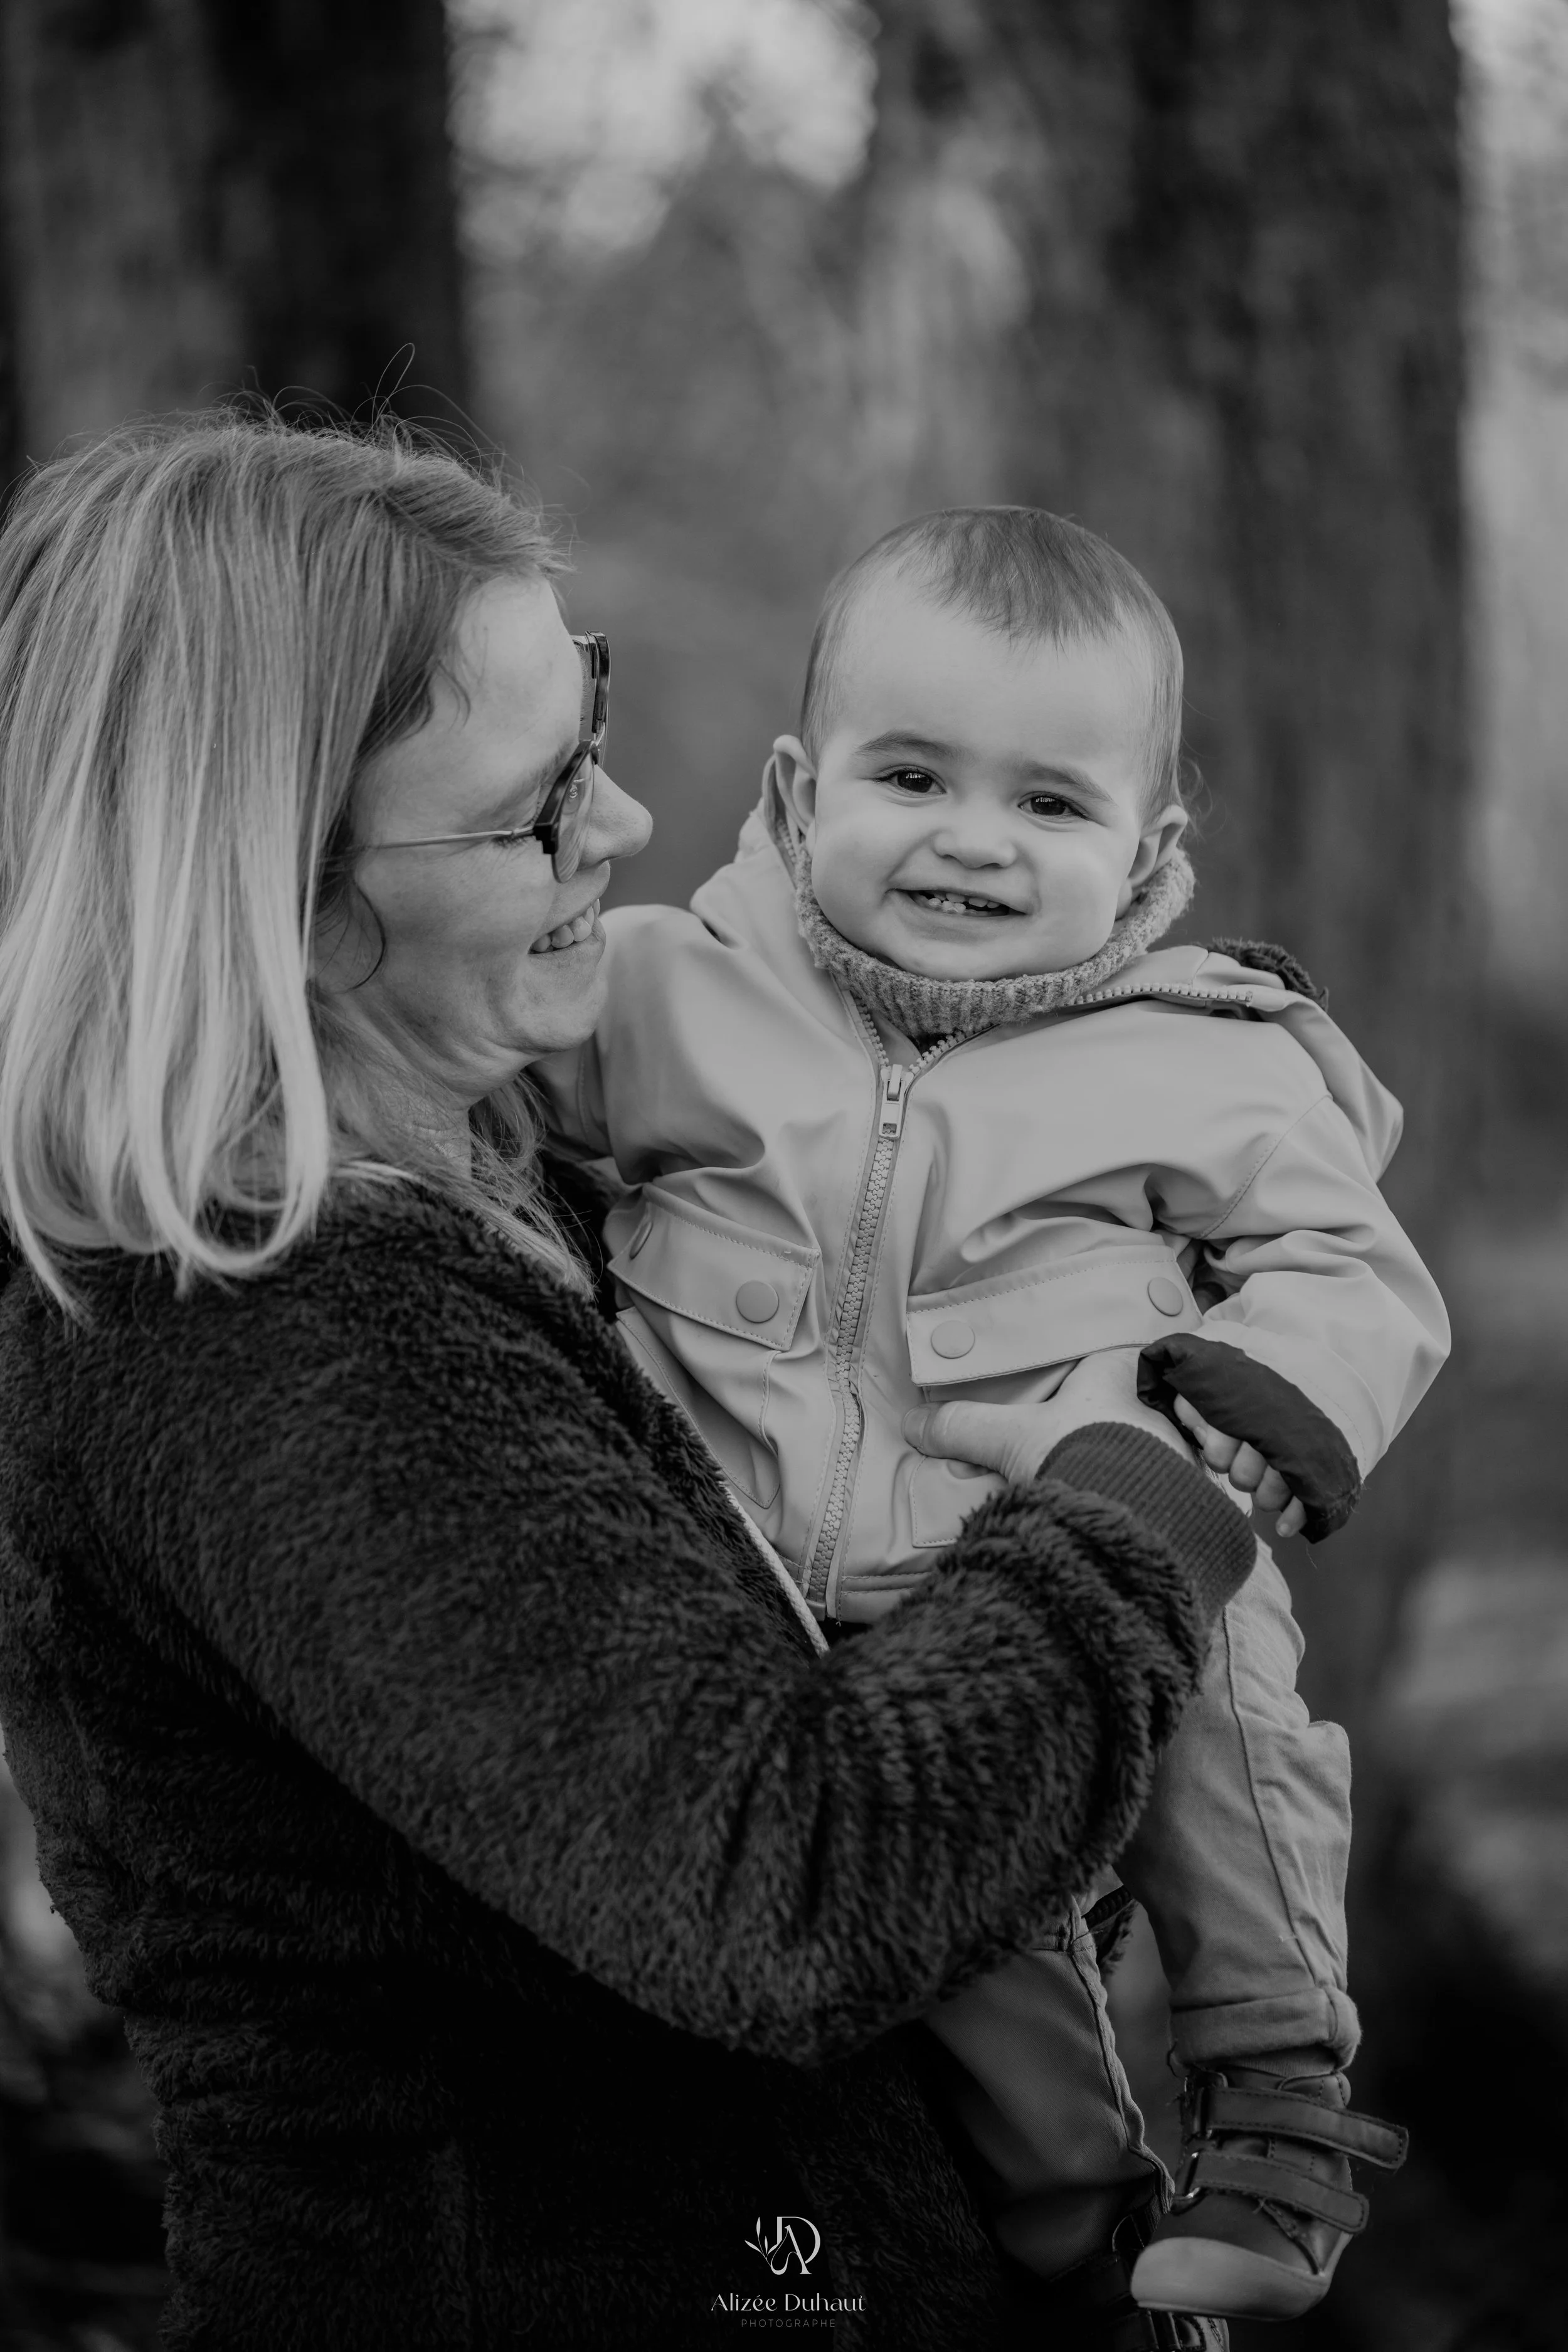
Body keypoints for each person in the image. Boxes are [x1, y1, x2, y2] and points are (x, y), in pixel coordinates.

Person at [0, 417, 1262, 2352]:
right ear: (289, 900)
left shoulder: (553, 1188)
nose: (624, 828)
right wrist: (1146, 1496)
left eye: (582, 728)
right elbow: (791, 1887)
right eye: (529, 810)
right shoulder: (272, 1331)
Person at [531, 507, 1447, 2324]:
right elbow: (466, 1105)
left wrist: (1259, 1393)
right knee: (978, 1996)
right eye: (912, 773)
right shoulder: (660, 991)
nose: (971, 837)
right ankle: (1086, 2236)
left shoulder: (1208, 1053)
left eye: (1047, 803)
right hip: (757, 1636)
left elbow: (1359, 1267)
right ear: (799, 792)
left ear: (1149, 846)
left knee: (1226, 1686)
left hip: (1042, 1588)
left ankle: (1274, 2100)